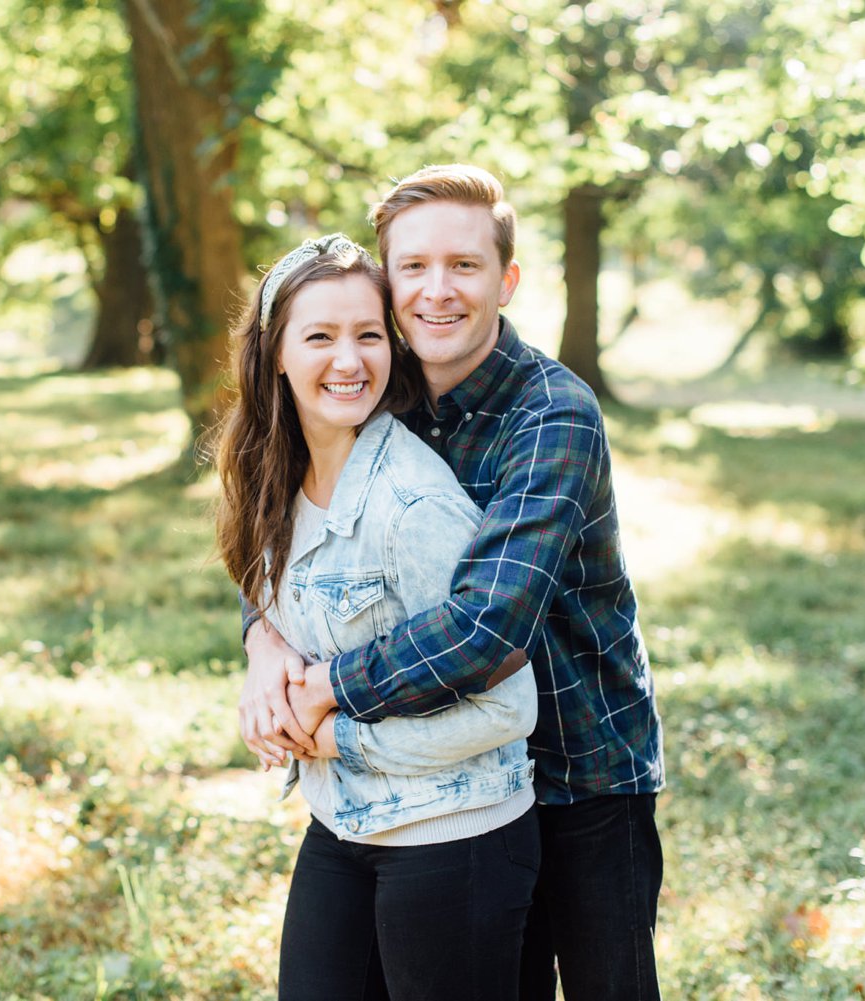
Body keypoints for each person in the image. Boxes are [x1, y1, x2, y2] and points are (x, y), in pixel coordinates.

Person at [239, 166, 666, 1001]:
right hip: (444, 779)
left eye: (465, 266)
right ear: (385, 280)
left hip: (580, 767)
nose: (439, 291)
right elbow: (299, 532)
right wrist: (262, 635)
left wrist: (322, 690)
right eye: (414, 267)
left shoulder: (552, 414)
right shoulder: (377, 394)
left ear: (506, 280)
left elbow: (486, 626)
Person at [215, 233, 543, 1000]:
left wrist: (333, 732)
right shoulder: (275, 477)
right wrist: (263, 654)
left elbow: (507, 703)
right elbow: (270, 599)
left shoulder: (411, 504)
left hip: (454, 832)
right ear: (276, 355)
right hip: (343, 822)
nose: (349, 360)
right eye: (320, 336)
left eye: (368, 334)